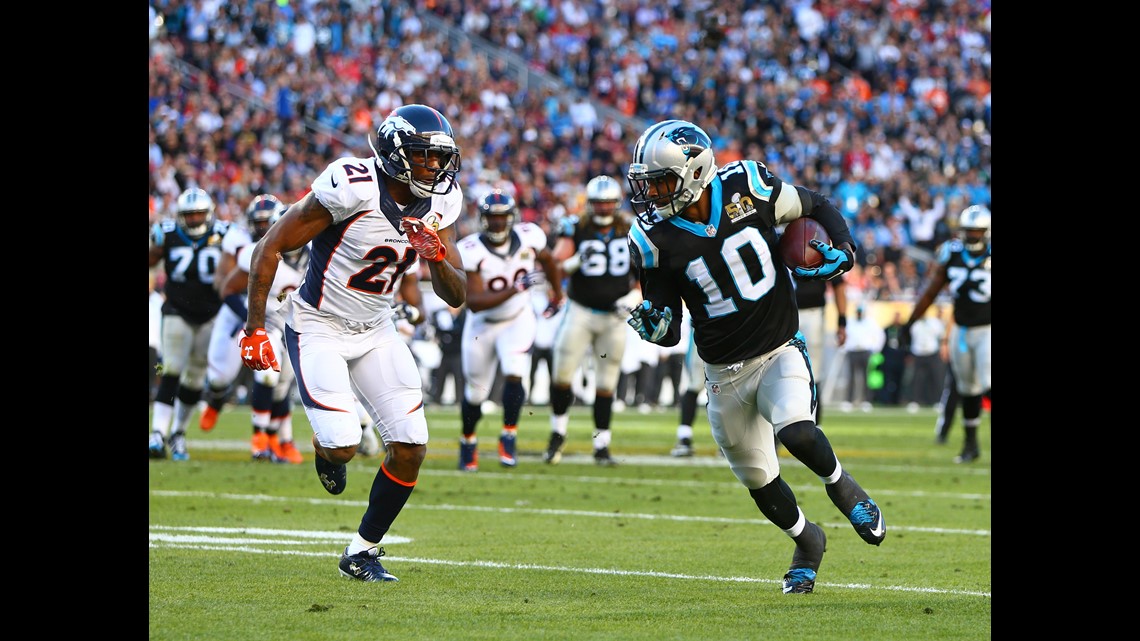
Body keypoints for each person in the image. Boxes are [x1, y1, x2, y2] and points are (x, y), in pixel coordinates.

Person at [623, 119, 885, 595]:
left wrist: (845, 250)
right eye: (647, 183)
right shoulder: (652, 239)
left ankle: (844, 487)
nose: (651, 193)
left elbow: (816, 204)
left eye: (660, 181)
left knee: (796, 428)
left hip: (779, 345)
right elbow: (670, 324)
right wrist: (657, 328)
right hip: (723, 371)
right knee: (760, 479)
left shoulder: (749, 186)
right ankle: (808, 542)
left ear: (696, 172)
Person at [240, 104, 467, 583]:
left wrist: (437, 257)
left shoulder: (443, 202)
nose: (437, 168)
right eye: (426, 157)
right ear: (396, 155)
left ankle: (361, 551)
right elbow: (271, 246)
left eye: (440, 157)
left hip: (377, 329)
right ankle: (326, 451)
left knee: (411, 447)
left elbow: (456, 294)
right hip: (318, 324)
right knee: (343, 445)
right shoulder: (353, 184)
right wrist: (256, 328)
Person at [456, 190, 563, 471]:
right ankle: (468, 440)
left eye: (502, 217)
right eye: (492, 218)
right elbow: (476, 303)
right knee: (475, 393)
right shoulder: (471, 249)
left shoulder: (530, 236)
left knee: (516, 373)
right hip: (482, 326)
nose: (497, 224)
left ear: (512, 218)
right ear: (483, 219)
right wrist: (514, 289)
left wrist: (557, 294)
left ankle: (509, 435)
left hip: (518, 318)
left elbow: (549, 261)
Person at [543, 175, 640, 466]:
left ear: (617, 203)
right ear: (590, 204)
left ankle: (602, 445)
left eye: (608, 203)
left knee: (606, 384)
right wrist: (569, 265)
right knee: (562, 375)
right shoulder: (575, 227)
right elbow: (555, 266)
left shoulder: (631, 229)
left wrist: (635, 296)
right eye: (598, 204)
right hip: (580, 311)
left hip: (613, 317)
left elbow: (647, 273)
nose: (603, 209)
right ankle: (558, 434)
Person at [903, 205, 991, 463]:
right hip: (962, 330)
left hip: (987, 328)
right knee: (968, 389)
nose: (973, 236)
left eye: (977, 231)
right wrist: (911, 322)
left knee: (988, 383)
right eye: (969, 231)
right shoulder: (951, 253)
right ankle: (971, 445)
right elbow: (931, 291)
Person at [149, 187, 229, 461]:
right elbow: (151, 260)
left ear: (208, 214)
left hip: (211, 313)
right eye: (189, 215)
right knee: (171, 368)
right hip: (177, 309)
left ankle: (178, 433)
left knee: (194, 379)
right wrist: (153, 245)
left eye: (198, 215)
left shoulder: (225, 234)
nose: (194, 220)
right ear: (180, 216)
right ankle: (157, 432)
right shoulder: (168, 233)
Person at [201, 194, 285, 435]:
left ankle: (267, 436)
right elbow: (222, 283)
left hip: (271, 312)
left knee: (272, 372)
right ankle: (216, 401)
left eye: (266, 222)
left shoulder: (290, 240)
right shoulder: (239, 240)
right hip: (238, 308)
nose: (261, 227)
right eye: (257, 222)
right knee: (219, 377)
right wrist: (250, 315)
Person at [792, 274, 847, 427]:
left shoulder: (825, 249)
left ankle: (814, 422)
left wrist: (842, 321)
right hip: (785, 310)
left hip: (813, 312)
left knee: (813, 372)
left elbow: (838, 283)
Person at [670, 320, 706, 457]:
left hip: (735, 331)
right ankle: (684, 436)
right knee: (695, 385)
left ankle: (731, 441)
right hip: (706, 330)